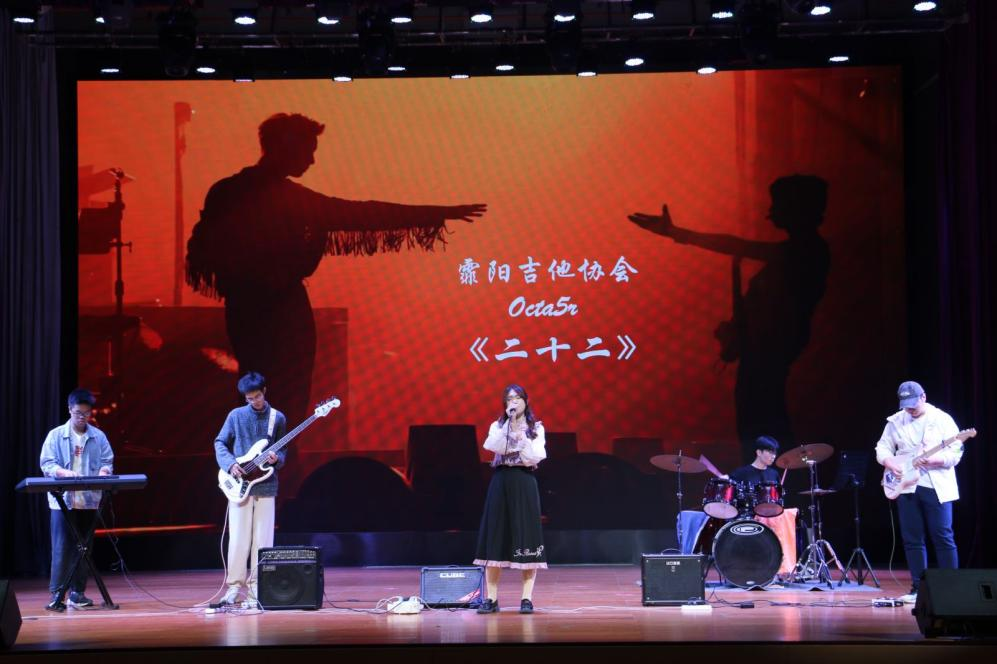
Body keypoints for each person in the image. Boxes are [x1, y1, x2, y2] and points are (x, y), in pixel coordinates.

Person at [187, 112, 487, 427]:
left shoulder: (226, 191)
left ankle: (259, 454)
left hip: (244, 308)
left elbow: (204, 252)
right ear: (286, 148)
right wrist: (438, 213)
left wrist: (242, 280)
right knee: (290, 394)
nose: (312, 160)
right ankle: (281, 454)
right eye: (308, 150)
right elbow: (364, 214)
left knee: (256, 389)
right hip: (284, 309)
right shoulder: (289, 199)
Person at [628, 175, 830, 460]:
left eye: (778, 204)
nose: (771, 212)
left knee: (763, 427)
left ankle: (777, 482)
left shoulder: (806, 251)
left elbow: (737, 246)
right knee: (760, 428)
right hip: (762, 353)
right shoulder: (801, 251)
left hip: (768, 354)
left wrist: (677, 232)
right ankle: (771, 481)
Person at [875, 380, 962, 604]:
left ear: (923, 397)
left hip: (935, 485)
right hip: (906, 485)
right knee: (912, 538)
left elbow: (955, 452)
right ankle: (918, 588)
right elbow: (882, 446)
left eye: (914, 404)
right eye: (906, 405)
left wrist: (936, 460)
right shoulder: (896, 421)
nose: (910, 409)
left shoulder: (941, 419)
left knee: (942, 535)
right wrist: (889, 461)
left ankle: (951, 589)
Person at [214, 372, 287, 606]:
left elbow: (283, 451)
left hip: (266, 485)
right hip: (239, 485)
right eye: (249, 398)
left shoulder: (278, 418)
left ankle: (258, 587)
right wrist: (230, 464)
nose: (254, 401)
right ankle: (234, 587)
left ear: (265, 391)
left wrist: (277, 458)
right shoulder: (235, 416)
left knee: (263, 540)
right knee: (238, 539)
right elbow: (220, 442)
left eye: (257, 396)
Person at [473, 385, 547, 614]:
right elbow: (492, 446)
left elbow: (535, 457)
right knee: (496, 534)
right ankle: (491, 599)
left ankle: (526, 598)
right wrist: (509, 426)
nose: (513, 402)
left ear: (526, 400)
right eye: (509, 399)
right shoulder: (497, 426)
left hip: (524, 480)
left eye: (517, 398)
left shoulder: (536, 428)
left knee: (526, 534)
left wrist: (521, 437)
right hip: (501, 480)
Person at [39, 389, 114, 611]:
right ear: (69, 410)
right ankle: (57, 594)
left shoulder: (98, 436)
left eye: (87, 413)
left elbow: (107, 461)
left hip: (89, 499)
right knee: (62, 547)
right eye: (78, 413)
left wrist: (104, 472)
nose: (82, 417)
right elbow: (47, 463)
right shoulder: (55, 435)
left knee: (84, 548)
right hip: (63, 500)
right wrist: (63, 473)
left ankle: (77, 593)